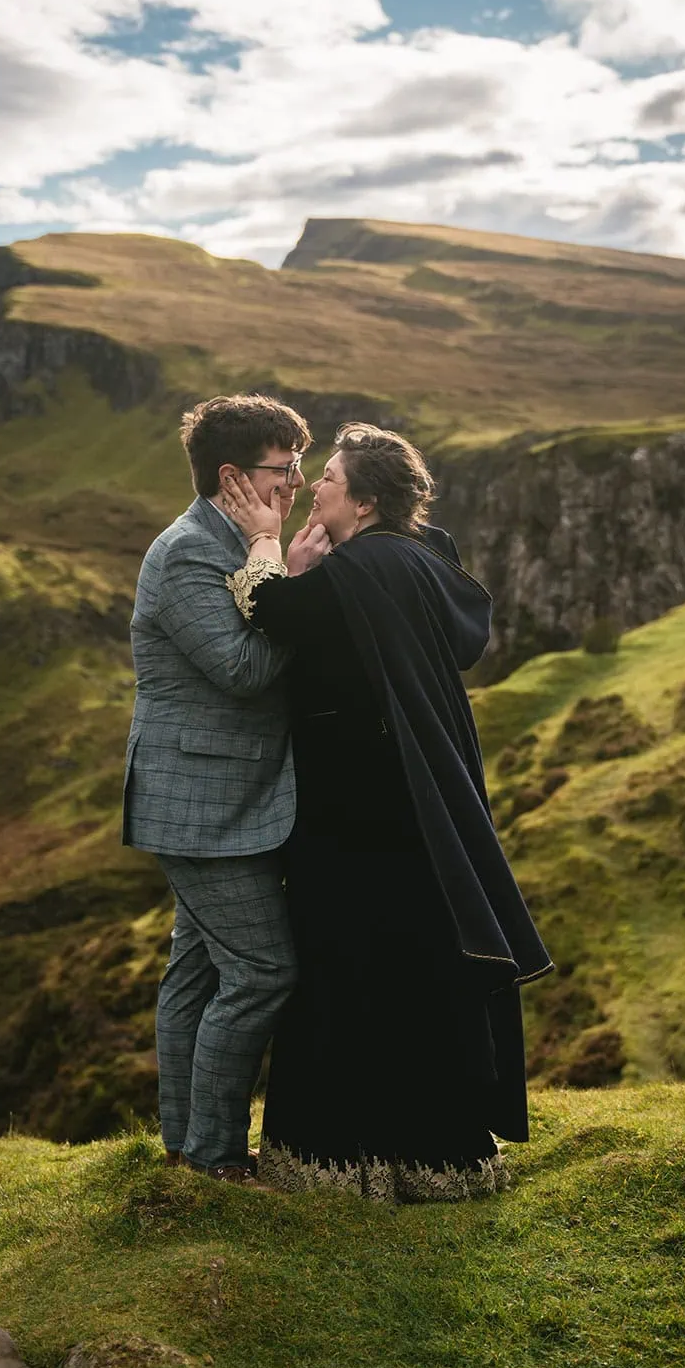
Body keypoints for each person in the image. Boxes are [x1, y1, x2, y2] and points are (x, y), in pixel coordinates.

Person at [219, 424, 553, 1203]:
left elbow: (268, 607)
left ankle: (336, 1160)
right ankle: (434, 1156)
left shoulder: (364, 567)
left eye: (331, 479)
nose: (316, 487)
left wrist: (267, 543)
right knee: (415, 962)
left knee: (345, 958)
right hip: (415, 798)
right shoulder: (420, 558)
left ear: (365, 502)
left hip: (356, 806)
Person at [122, 394, 330, 1183]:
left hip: (226, 797)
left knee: (198, 974)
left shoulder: (227, 541)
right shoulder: (188, 553)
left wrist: (270, 556)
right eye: (285, 469)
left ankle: (185, 1146)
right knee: (263, 973)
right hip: (200, 804)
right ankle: (213, 1156)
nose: (298, 483)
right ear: (232, 477)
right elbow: (242, 671)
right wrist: (285, 574)